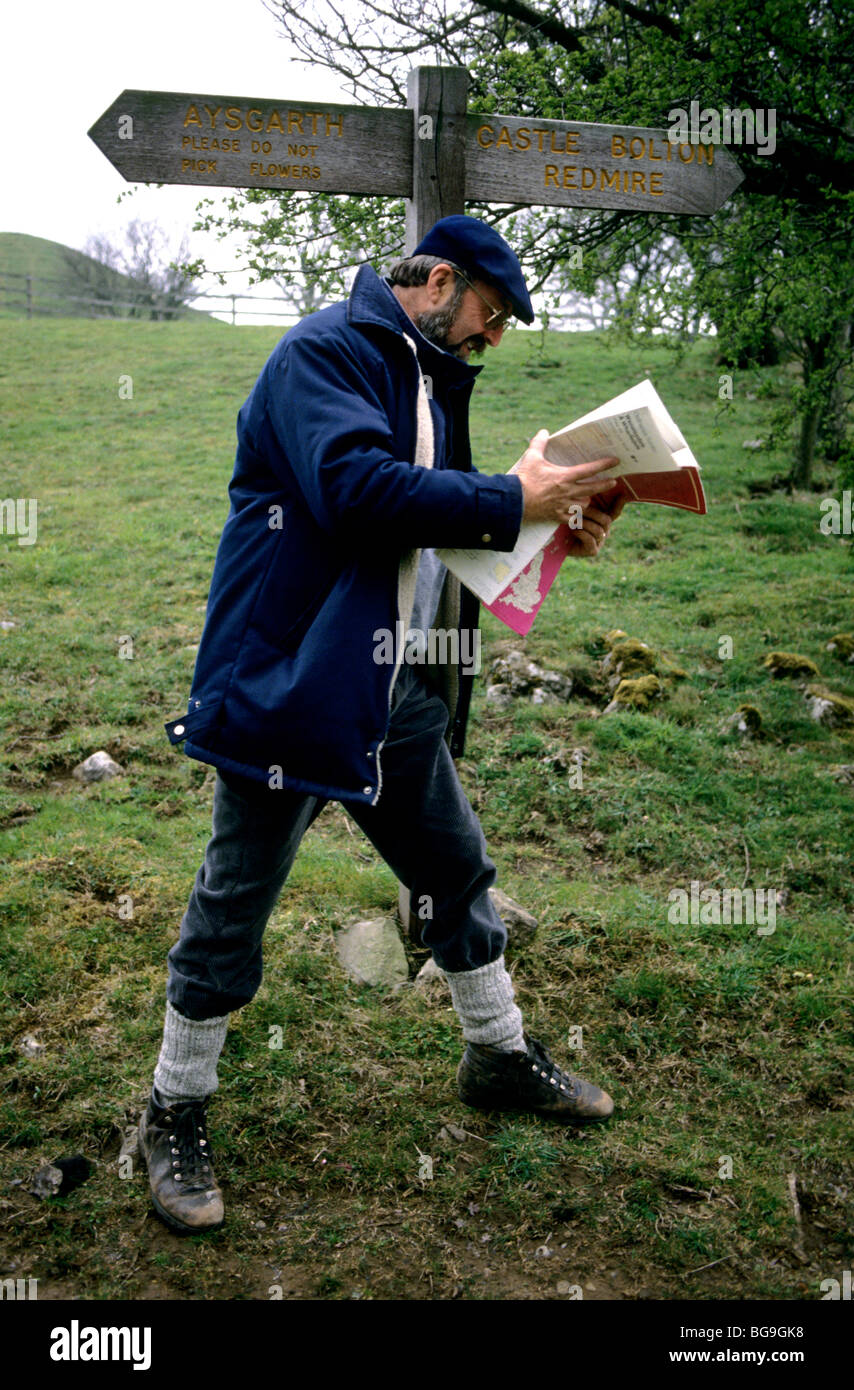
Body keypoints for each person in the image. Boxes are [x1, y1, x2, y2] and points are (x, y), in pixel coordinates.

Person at [140, 215, 623, 1234]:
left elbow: (433, 532)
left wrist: (544, 527)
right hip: (291, 688)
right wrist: (506, 494)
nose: (491, 338)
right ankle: (173, 1109)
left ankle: (495, 1057)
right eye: (489, 314)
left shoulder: (423, 376)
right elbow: (357, 493)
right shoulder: (324, 352)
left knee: (454, 872)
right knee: (234, 904)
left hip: (391, 688)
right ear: (440, 280)